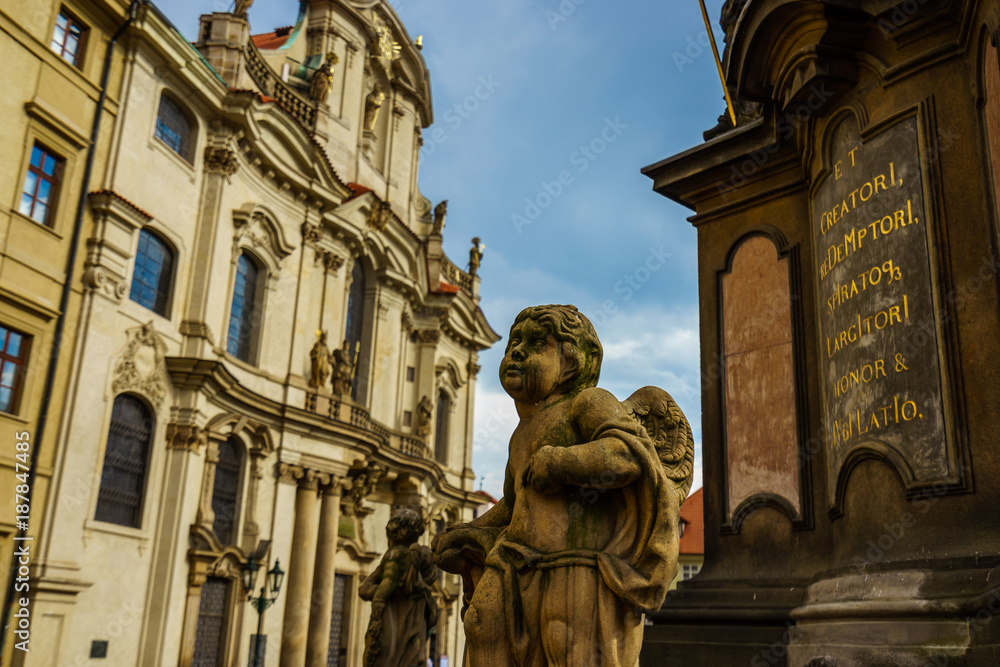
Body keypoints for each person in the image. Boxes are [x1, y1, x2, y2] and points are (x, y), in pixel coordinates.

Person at [433, 305, 692, 666]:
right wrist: (469, 531)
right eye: (514, 342)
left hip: (571, 565)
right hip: (514, 562)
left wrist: (563, 463)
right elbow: (514, 502)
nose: (517, 351)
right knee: (480, 623)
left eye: (536, 343)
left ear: (572, 362)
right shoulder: (521, 433)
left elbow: (629, 455)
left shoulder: (586, 403)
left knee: (568, 649)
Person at [360, 508, 439, 667]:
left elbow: (374, 588)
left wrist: (377, 600)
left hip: (393, 625)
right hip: (415, 625)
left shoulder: (395, 555)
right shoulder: (417, 558)